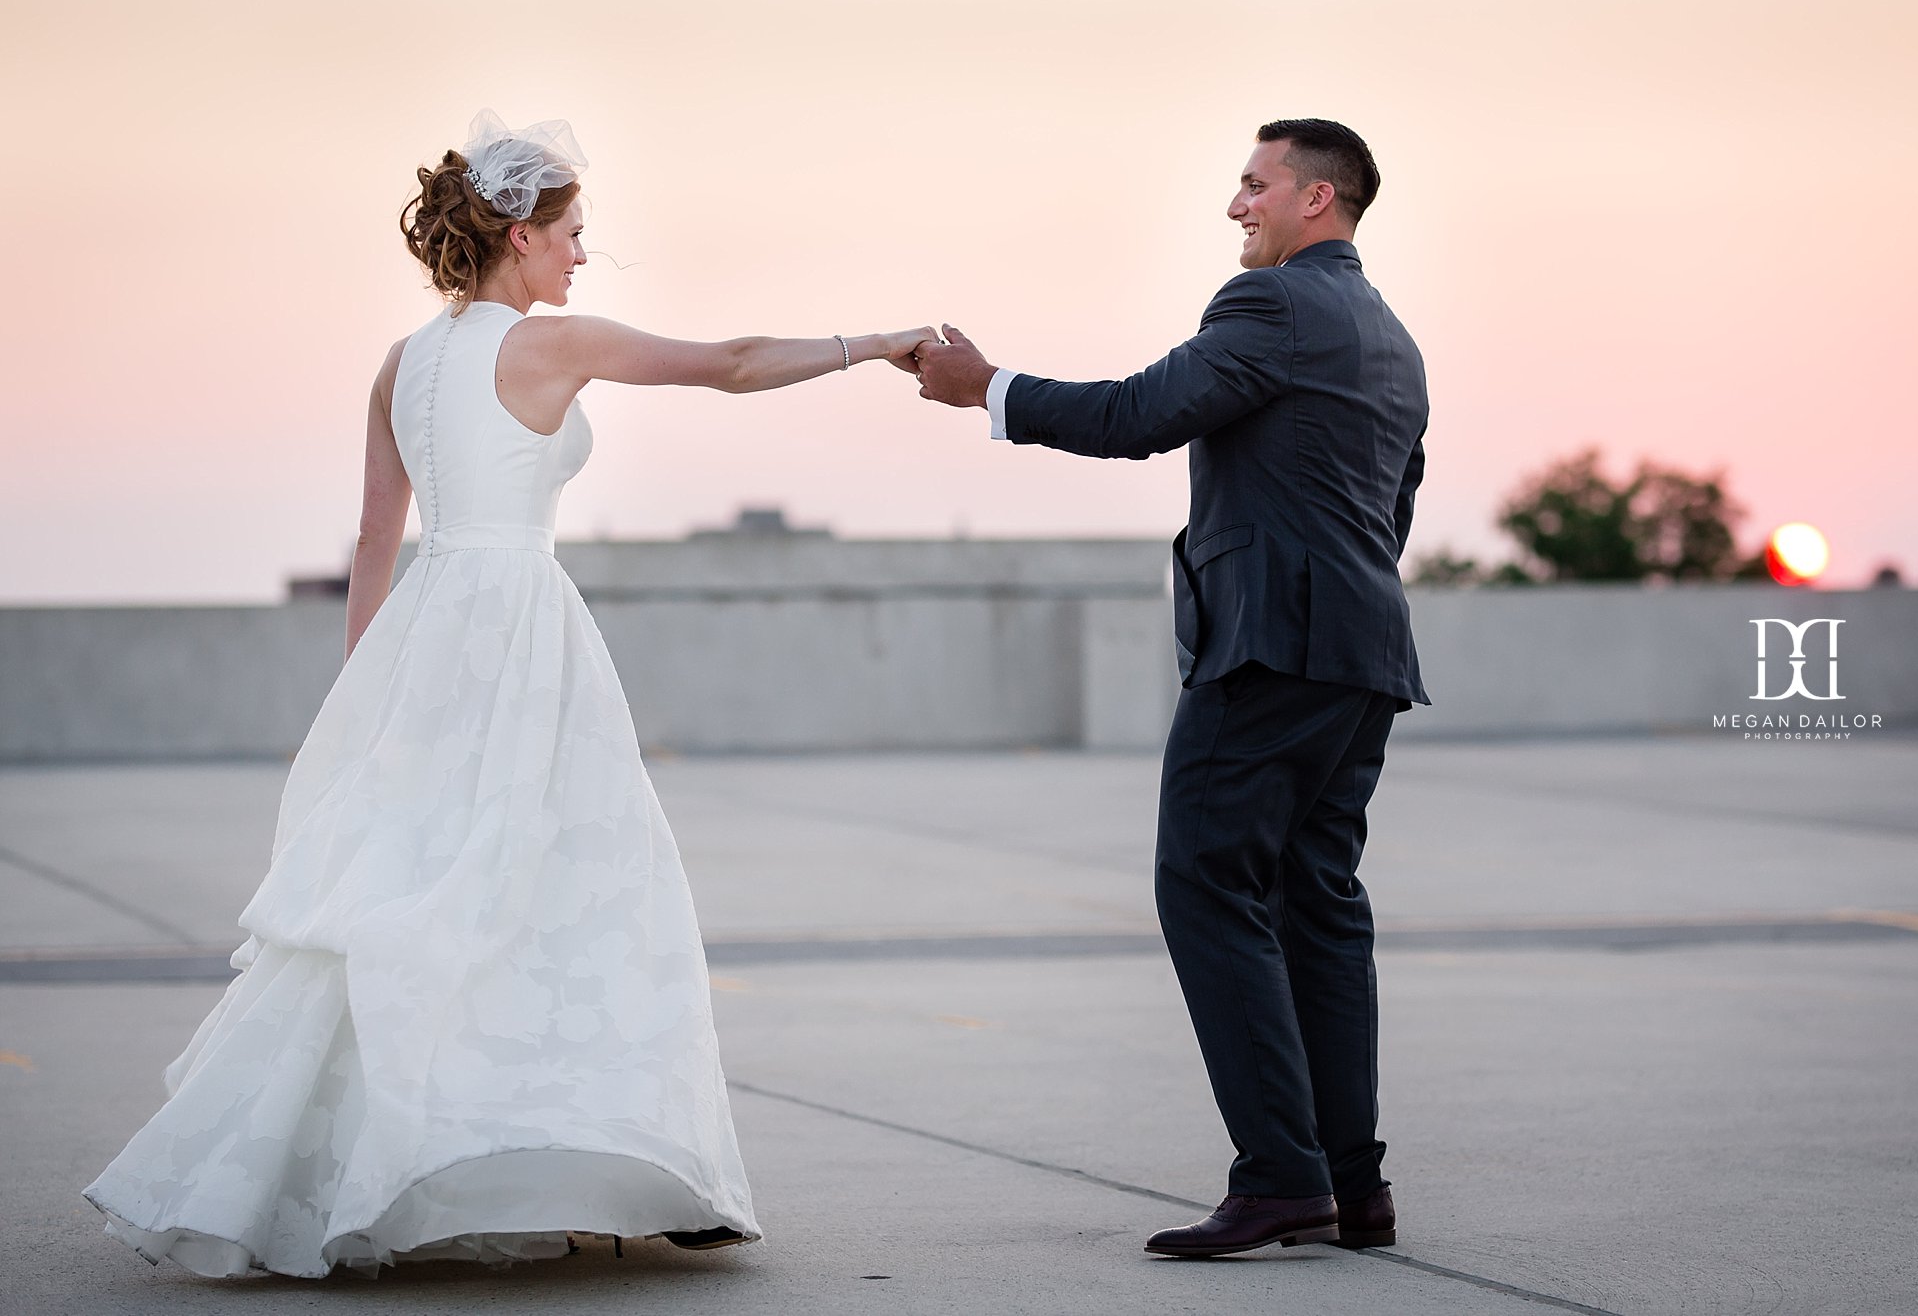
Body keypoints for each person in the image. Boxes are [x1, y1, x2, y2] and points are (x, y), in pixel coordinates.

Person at [81, 109, 936, 1278]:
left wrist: (364, 693)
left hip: (426, 636)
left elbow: (376, 541)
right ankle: (580, 1163)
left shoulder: (403, 360)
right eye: (575, 233)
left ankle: (440, 1165)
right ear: (521, 234)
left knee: (413, 893)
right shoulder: (550, 344)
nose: (583, 255)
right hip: (521, 631)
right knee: (576, 885)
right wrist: (872, 341)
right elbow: (731, 365)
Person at [912, 118, 1429, 1259]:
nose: (1234, 205)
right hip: (1359, 652)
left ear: (1317, 199)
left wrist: (982, 386)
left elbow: (1139, 415)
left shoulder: (1271, 307)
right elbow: (1390, 508)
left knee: (1204, 881)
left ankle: (1282, 1178)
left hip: (1271, 648)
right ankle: (1349, 1184)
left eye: (1254, 185)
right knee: (1316, 908)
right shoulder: (1388, 334)